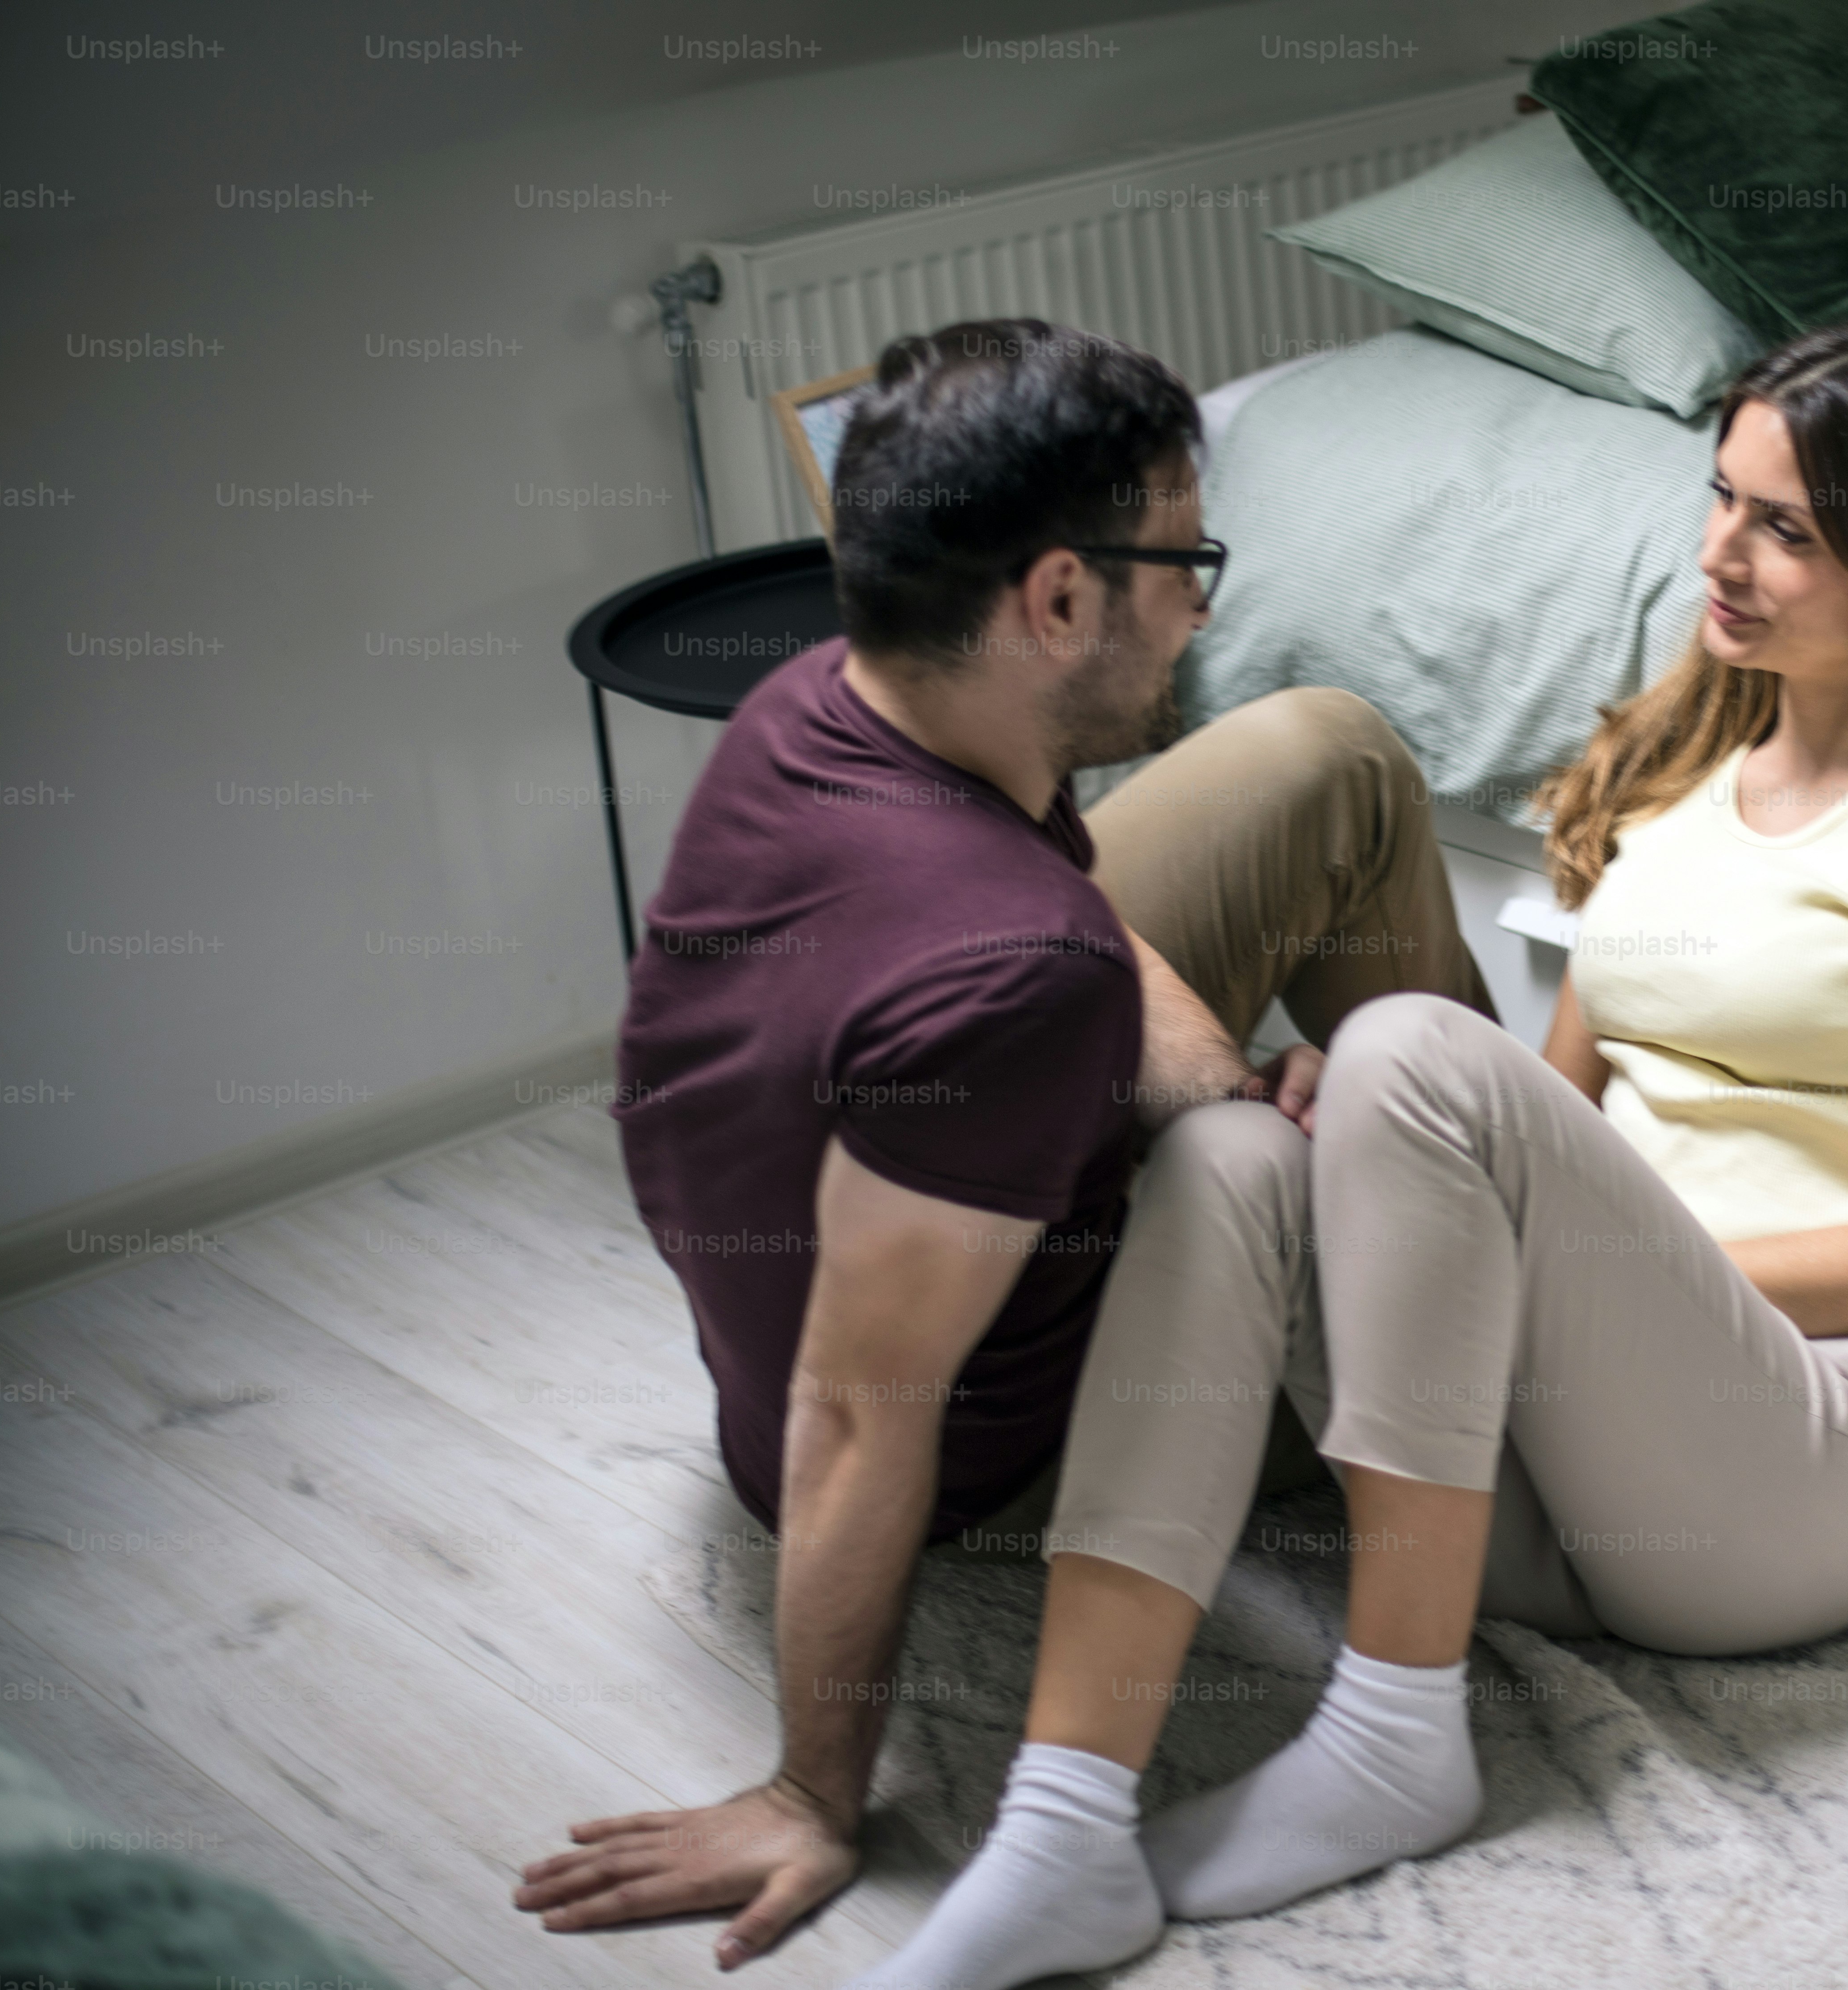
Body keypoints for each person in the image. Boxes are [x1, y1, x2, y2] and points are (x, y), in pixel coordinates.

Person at [829, 322, 1848, 1990]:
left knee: (1408, 1051)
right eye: (1721, 497)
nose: (1721, 554)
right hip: (1553, 1488)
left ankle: (1394, 1736)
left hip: (1803, 1475)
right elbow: (1557, 1125)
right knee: (1236, 1144)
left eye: (1787, 526)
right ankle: (1064, 1822)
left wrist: (1592, 1263)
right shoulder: (1691, 765)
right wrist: (1387, 1156)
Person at [509, 317, 1495, 1967]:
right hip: (1002, 1468)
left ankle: (1436, 1131)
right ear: (1055, 599)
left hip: (834, 1266)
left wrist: (1218, 1080)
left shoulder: (843, 694)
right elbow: (856, 1404)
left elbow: (1070, 909)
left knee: (1331, 750)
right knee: (1302, 1182)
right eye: (1184, 562)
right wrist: (815, 1793)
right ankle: (1493, 1265)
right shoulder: (1012, 977)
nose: (1203, 602)